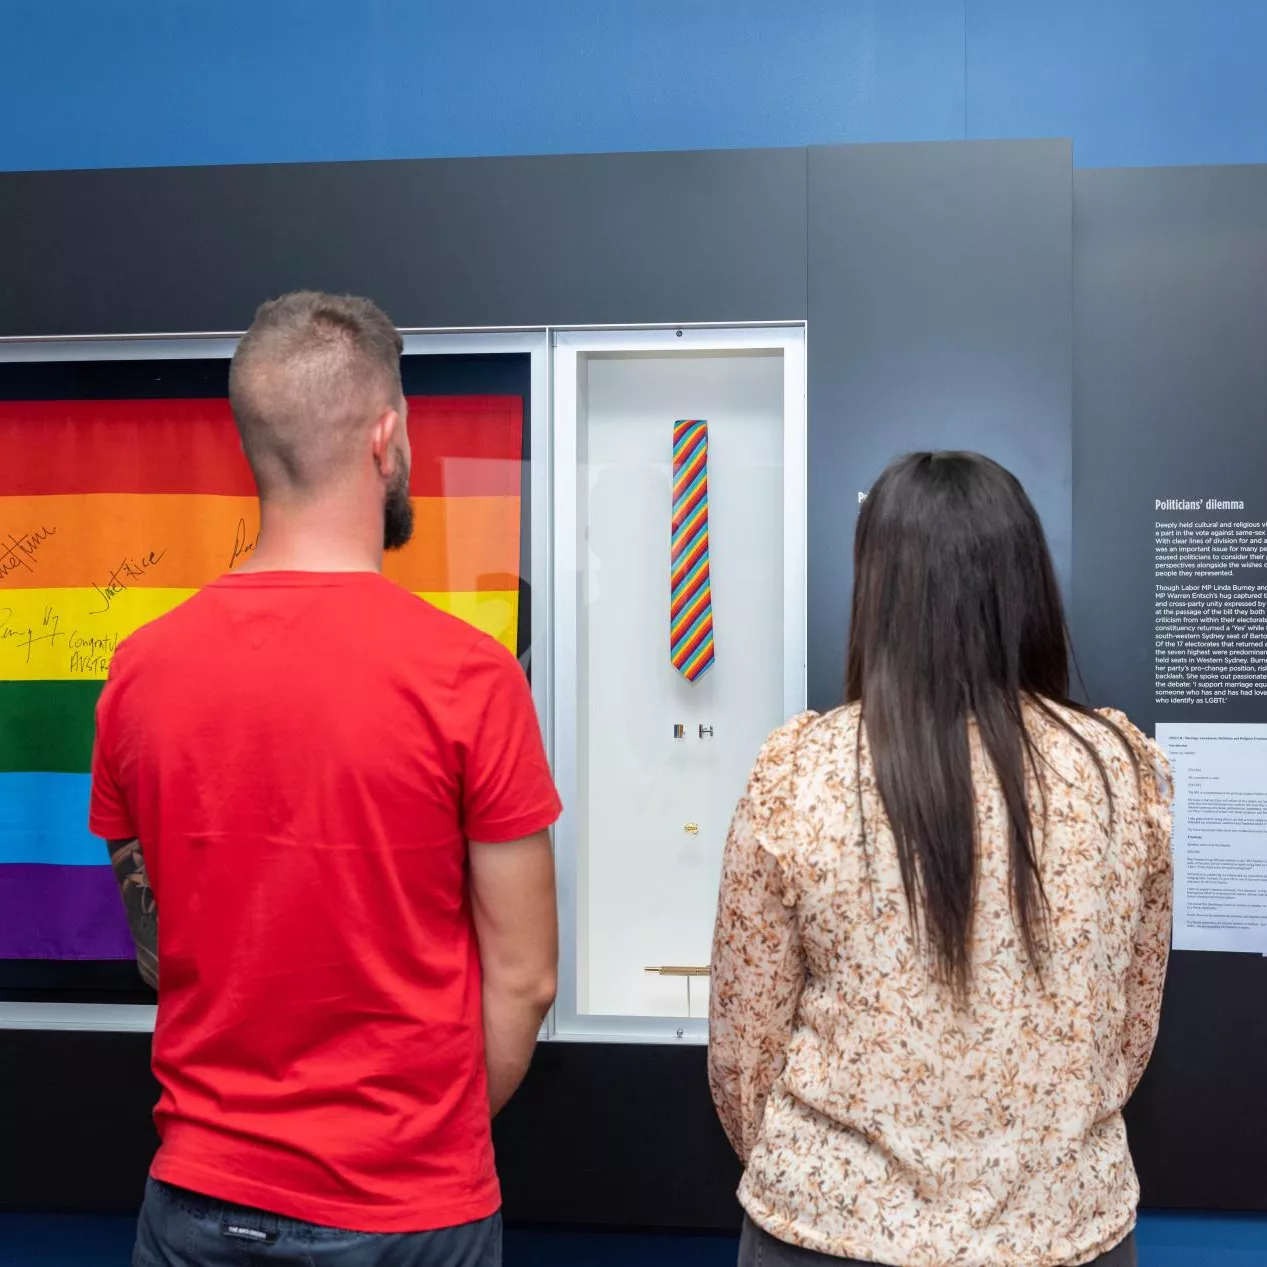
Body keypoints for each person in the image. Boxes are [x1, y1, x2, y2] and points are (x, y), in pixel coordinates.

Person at [90, 291, 561, 1267]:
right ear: (385, 437)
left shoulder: (138, 672)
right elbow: (524, 977)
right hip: (407, 1211)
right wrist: (413, 1146)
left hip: (198, 1199)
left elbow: (156, 945)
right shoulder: (471, 675)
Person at [709, 452, 1172, 1267]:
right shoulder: (1117, 771)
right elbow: (1128, 1031)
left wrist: (837, 1182)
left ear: (878, 588)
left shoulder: (799, 771)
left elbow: (744, 1053)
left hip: (827, 1233)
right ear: (1026, 581)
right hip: (1060, 1232)